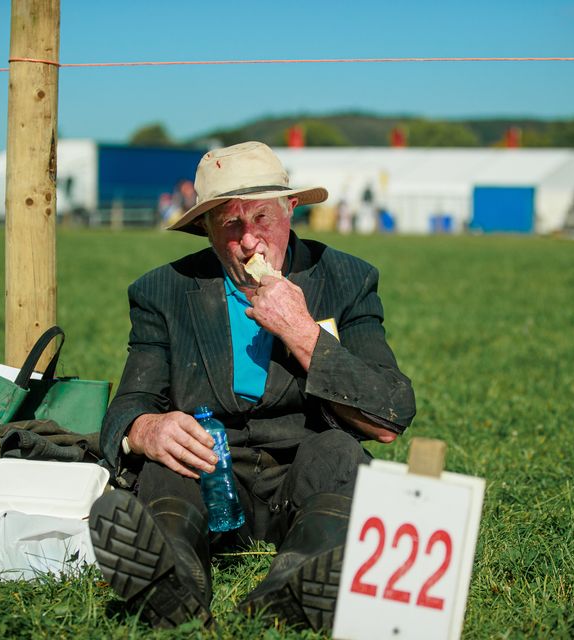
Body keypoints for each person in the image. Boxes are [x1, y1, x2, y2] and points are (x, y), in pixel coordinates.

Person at [89, 141, 416, 631]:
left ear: (292, 209)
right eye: (229, 224)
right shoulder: (164, 291)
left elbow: (390, 413)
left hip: (304, 474)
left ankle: (299, 576)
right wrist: (146, 427)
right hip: (210, 474)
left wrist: (302, 332)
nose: (249, 242)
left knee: (340, 455)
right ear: (205, 228)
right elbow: (132, 403)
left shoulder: (347, 279)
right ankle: (174, 578)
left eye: (263, 218)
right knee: (166, 462)